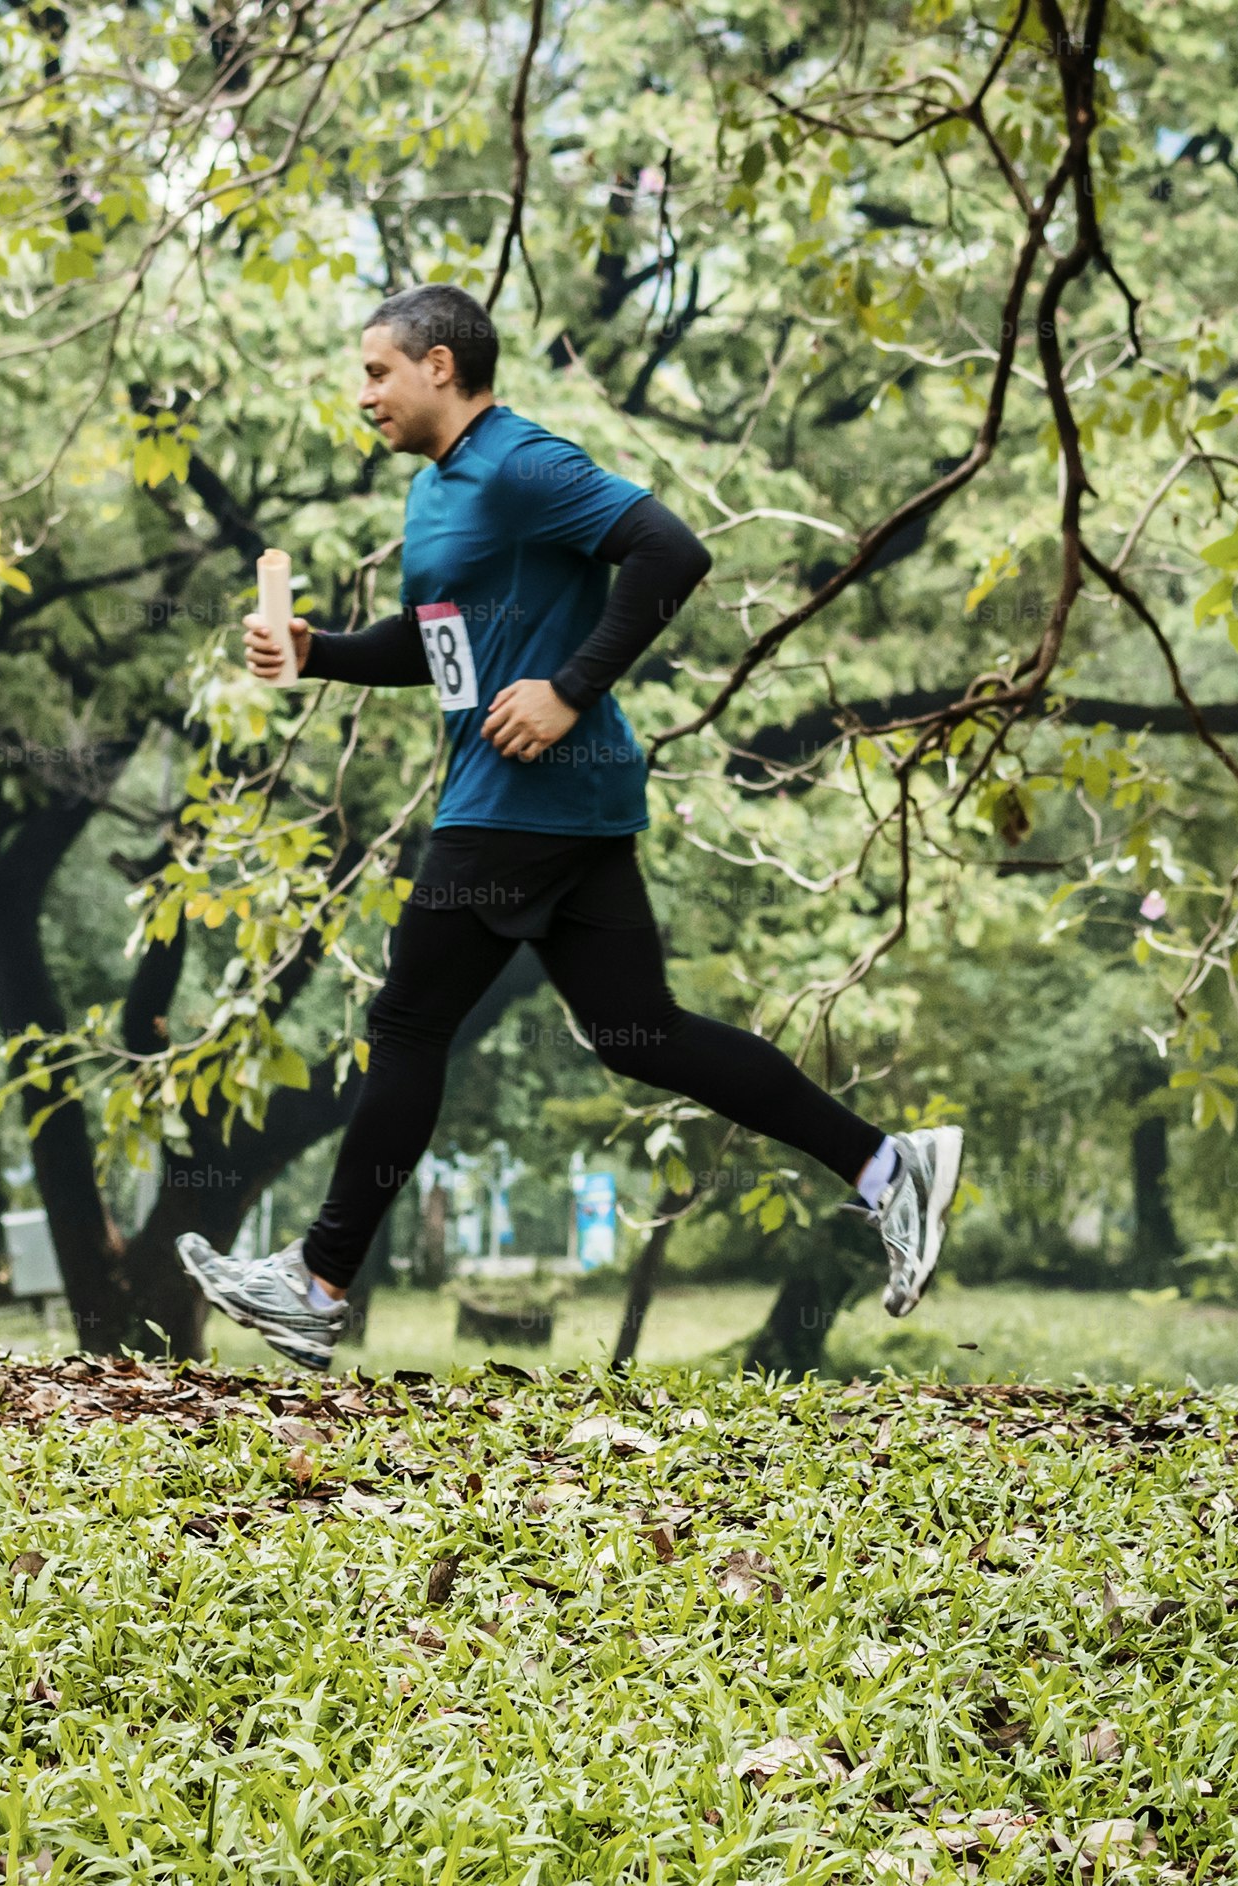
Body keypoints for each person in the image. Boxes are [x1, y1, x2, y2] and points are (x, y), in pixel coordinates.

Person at [175, 283, 964, 1370]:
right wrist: (320, 653)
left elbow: (670, 551)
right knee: (640, 1030)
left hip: (522, 795)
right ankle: (887, 1168)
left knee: (408, 1025)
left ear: (439, 365)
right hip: (548, 799)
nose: (363, 394)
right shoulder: (439, 492)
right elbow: (437, 647)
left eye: (376, 371)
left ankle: (316, 1281)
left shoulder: (520, 462)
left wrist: (570, 689)